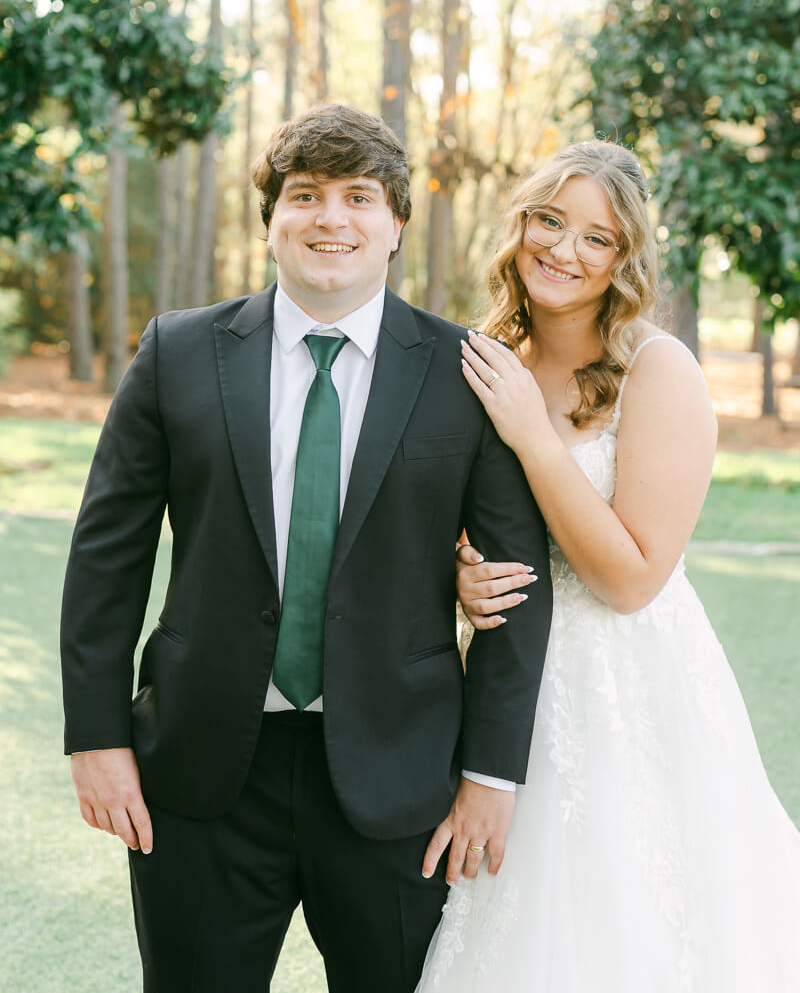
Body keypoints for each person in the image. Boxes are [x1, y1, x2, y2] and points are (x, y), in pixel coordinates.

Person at [60, 102, 553, 993]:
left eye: (360, 196)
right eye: (306, 195)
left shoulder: (469, 373)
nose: (332, 218)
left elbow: (517, 589)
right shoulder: (178, 352)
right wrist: (94, 736)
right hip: (200, 768)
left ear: (396, 223)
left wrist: (491, 773)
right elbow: (108, 554)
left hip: (402, 778)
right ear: (272, 221)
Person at [416, 140, 800, 992]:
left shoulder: (659, 371)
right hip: (511, 683)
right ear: (520, 226)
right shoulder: (484, 356)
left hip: (630, 688)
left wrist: (532, 432)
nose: (565, 250)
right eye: (550, 221)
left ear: (626, 259)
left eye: (598, 237)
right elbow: (444, 519)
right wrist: (459, 575)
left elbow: (631, 580)